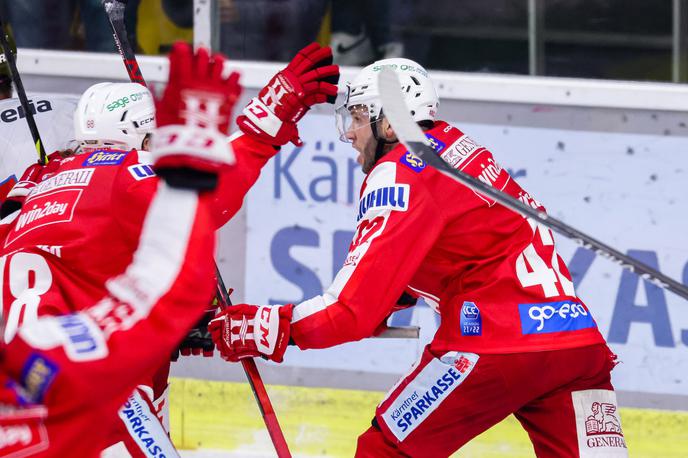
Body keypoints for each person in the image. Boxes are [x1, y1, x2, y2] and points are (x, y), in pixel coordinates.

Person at [210, 58, 629, 457]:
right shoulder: (457, 145)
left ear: (390, 123)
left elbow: (348, 312)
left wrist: (265, 327)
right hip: (577, 345)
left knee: (384, 452)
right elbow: (455, 252)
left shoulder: (400, 171)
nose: (350, 133)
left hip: (495, 344)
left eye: (358, 117)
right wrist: (392, 298)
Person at [0, 41, 338, 456]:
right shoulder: (122, 173)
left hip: (18, 385)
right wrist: (267, 120)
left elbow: (83, 263)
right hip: (87, 381)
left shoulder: (35, 183)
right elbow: (204, 197)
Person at [0, 42, 237, 455]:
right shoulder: (127, 175)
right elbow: (197, 212)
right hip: (91, 367)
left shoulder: (39, 181)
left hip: (25, 369)